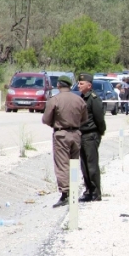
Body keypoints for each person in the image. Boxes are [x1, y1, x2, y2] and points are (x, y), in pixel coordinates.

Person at [41, 75, 87, 207]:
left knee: (62, 164)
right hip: (76, 133)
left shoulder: (55, 100)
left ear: (59, 85)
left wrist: (56, 124)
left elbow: (46, 119)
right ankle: (73, 188)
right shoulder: (79, 100)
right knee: (73, 163)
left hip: (61, 134)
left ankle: (66, 193)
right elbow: (84, 118)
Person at [77, 73, 106, 202]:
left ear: (89, 85)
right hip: (82, 135)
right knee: (84, 166)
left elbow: (99, 118)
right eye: (78, 83)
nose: (79, 85)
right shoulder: (82, 97)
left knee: (92, 166)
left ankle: (96, 193)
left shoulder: (94, 99)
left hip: (91, 135)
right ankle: (88, 190)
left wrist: (100, 132)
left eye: (81, 83)